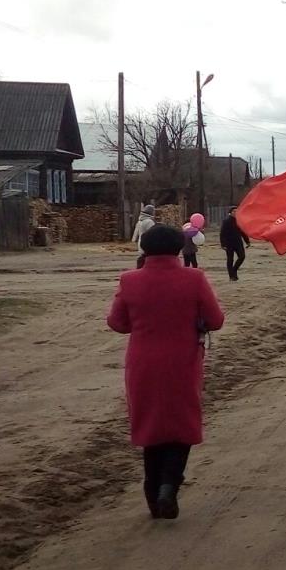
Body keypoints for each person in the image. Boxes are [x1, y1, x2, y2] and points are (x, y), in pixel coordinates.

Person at [106, 224, 225, 520]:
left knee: (152, 425)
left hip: (143, 362)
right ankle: (169, 486)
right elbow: (216, 319)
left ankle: (152, 490)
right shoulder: (194, 278)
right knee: (180, 424)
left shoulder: (129, 280)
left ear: (145, 248)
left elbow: (118, 323)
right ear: (178, 248)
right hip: (183, 361)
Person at [219, 206, 251, 281]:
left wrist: (247, 241)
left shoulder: (239, 221)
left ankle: (234, 270)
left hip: (238, 242)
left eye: (237, 211)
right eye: (234, 211)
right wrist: (223, 244)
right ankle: (232, 276)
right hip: (229, 243)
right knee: (230, 259)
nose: (235, 213)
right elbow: (222, 233)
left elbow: (243, 232)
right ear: (230, 212)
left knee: (242, 256)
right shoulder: (226, 221)